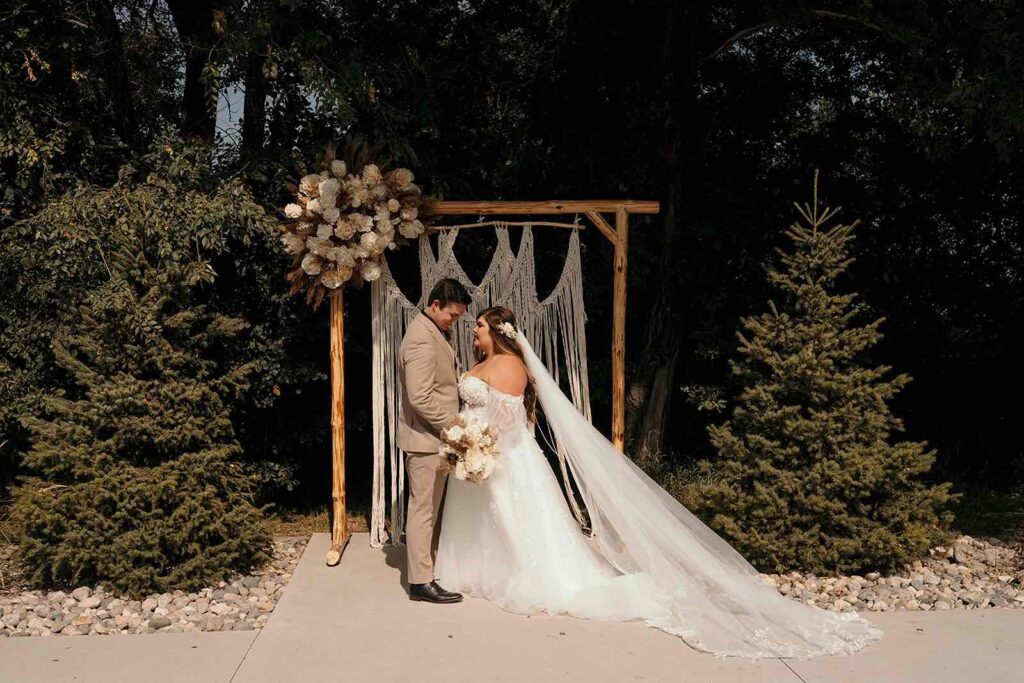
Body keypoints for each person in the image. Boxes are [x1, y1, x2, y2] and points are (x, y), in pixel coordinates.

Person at [433, 306, 884, 659]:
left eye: (478, 328)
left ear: (496, 331)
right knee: (493, 521)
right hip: (479, 453)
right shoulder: (485, 362)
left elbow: (508, 421)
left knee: (517, 522)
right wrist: (467, 440)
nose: (473, 334)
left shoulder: (509, 367)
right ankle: (481, 569)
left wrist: (478, 442)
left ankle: (522, 573)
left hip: (502, 456)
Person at [396, 278, 471, 604]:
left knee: (431, 509)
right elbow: (421, 397)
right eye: (452, 315)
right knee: (423, 510)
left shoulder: (432, 332)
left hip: (434, 439)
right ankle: (420, 582)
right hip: (425, 440)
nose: (453, 321)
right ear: (435, 304)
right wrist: (455, 428)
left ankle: (427, 569)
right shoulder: (420, 339)